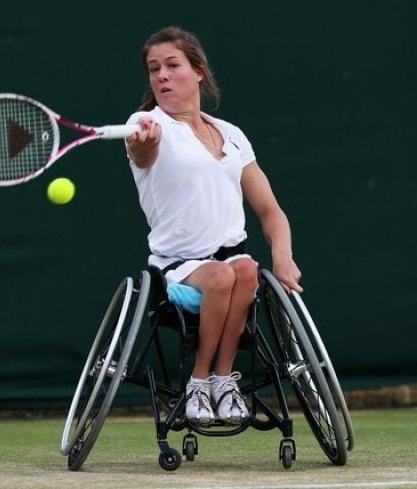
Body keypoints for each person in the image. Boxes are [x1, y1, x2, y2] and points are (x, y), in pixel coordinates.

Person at [125, 26, 302, 425]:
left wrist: (284, 257)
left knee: (244, 269)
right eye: (154, 70)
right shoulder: (146, 124)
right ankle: (198, 382)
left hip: (233, 263)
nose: (162, 77)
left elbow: (271, 211)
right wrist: (145, 140)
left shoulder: (232, 136)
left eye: (173, 66)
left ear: (198, 71)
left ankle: (223, 379)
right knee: (223, 275)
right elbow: (142, 151)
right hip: (178, 267)